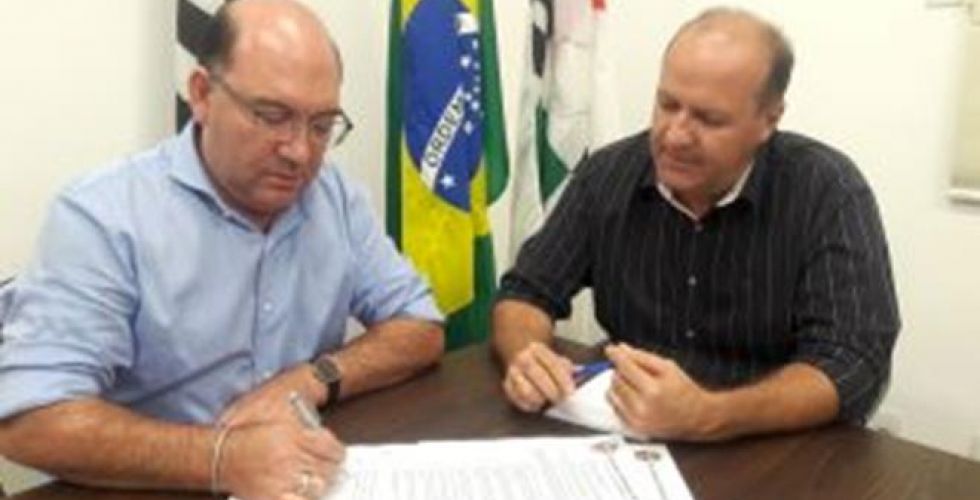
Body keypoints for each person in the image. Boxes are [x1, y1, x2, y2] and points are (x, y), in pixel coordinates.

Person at [0, 1, 443, 498]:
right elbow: (29, 420)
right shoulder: (103, 217)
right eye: (272, 117)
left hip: (299, 472)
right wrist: (220, 457)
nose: (299, 151)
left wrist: (315, 377)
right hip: (152, 486)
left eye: (321, 126)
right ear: (202, 94)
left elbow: (419, 326)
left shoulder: (334, 197)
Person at [493, 7, 900, 442]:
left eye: (709, 119)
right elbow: (525, 293)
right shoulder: (608, 174)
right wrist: (528, 356)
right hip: (629, 436)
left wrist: (708, 414)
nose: (675, 135)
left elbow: (853, 363)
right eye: (667, 105)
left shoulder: (827, 190)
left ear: (769, 119)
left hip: (770, 444)